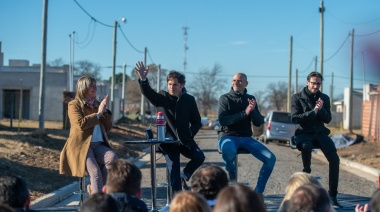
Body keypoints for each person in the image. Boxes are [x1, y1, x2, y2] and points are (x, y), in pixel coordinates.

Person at [135, 61, 205, 194]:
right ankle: (176, 202)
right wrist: (143, 79)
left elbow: (197, 121)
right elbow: (147, 92)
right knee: (173, 167)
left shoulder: (189, 100)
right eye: (170, 84)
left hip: (185, 141)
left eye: (175, 85)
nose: (172, 87)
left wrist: (189, 134)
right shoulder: (161, 97)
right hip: (167, 142)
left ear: (182, 85)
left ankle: (183, 176)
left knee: (199, 157)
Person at [218, 73, 276, 195]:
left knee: (271, 159)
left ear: (246, 84)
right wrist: (245, 112)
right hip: (228, 136)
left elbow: (258, 122)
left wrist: (252, 110)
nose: (236, 82)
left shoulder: (250, 98)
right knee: (228, 150)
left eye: (240, 81)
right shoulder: (225, 98)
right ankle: (231, 171)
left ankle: (258, 193)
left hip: (246, 138)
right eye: (234, 80)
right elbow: (223, 121)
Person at [291, 71, 342, 208]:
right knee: (306, 146)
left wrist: (321, 110)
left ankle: (333, 195)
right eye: (313, 83)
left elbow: (328, 119)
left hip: (320, 132)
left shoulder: (324, 97)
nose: (315, 86)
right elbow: (295, 118)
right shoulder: (297, 97)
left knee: (335, 160)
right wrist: (313, 112)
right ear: (308, 82)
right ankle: (307, 170)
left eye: (318, 84)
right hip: (304, 132)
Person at [60, 76, 118, 194]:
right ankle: (98, 203)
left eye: (95, 85)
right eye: (92, 85)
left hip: (99, 145)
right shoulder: (74, 104)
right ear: (83, 88)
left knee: (113, 159)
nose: (95, 88)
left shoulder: (97, 105)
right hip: (82, 146)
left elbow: (107, 128)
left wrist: (105, 113)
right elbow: (80, 124)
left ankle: (96, 190)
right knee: (95, 173)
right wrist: (98, 114)